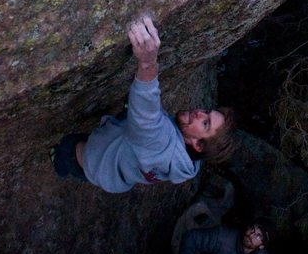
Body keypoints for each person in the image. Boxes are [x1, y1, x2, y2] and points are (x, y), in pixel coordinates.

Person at [50, 15, 236, 193]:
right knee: (135, 121)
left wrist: (148, 61)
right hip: (120, 168)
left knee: (68, 147)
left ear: (197, 144)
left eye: (205, 124)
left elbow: (149, 120)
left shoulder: (160, 143)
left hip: (95, 161)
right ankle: (127, 115)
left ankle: (57, 159)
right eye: (206, 112)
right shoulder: (187, 163)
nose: (199, 113)